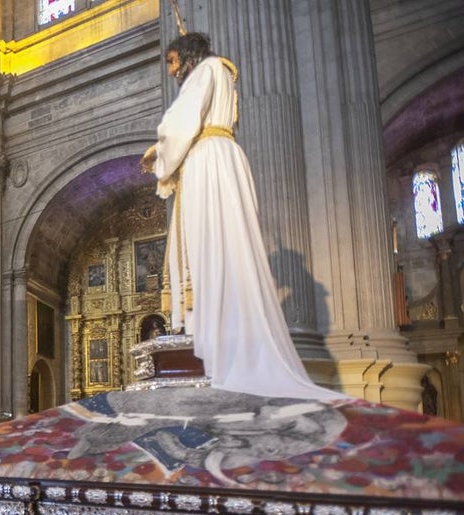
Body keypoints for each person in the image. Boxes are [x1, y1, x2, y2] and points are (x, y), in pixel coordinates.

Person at [140, 32, 339, 401]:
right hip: (226, 158)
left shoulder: (206, 69)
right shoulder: (223, 75)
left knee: (209, 244)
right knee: (228, 245)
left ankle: (217, 341)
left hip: (207, 162)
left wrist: (160, 152)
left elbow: (180, 123)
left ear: (188, 55)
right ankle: (225, 334)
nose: (171, 70)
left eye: (172, 61)